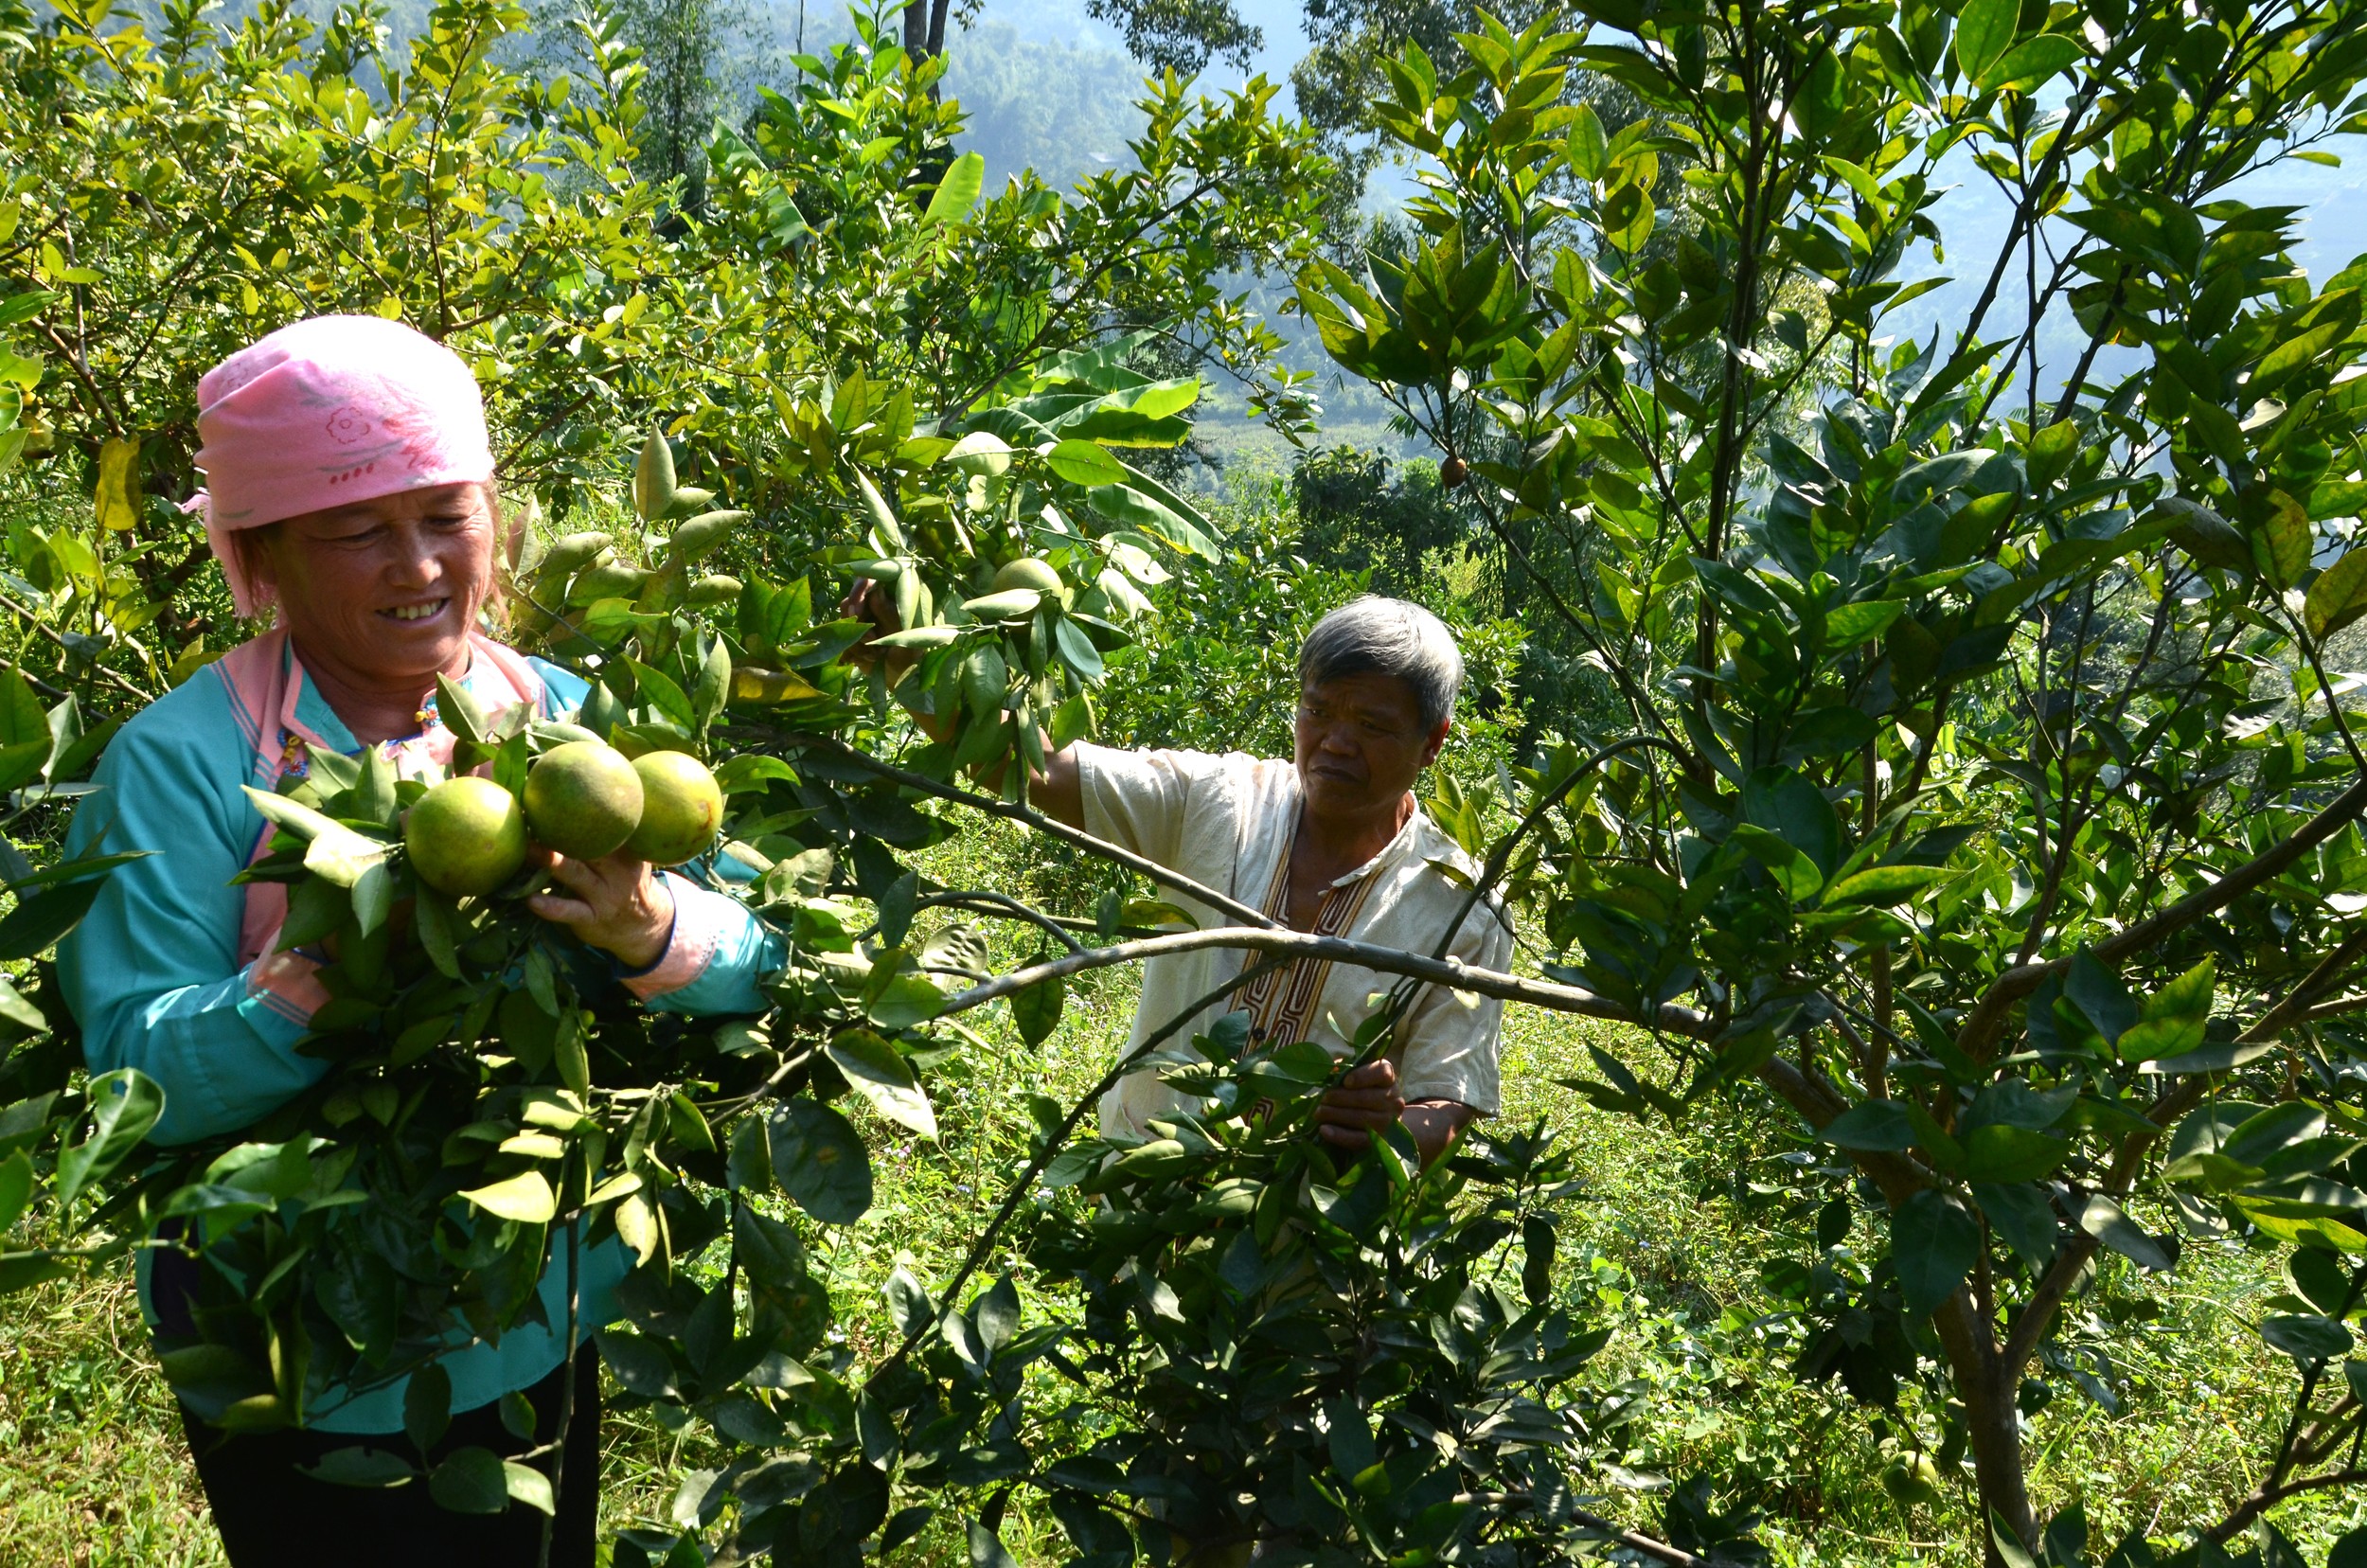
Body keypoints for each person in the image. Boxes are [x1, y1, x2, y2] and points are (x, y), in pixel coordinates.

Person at [57, 315, 783, 1566]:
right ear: (264, 553)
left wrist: (659, 930)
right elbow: (130, 1076)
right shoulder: (184, 766)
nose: (420, 564)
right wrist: (312, 982)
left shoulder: (561, 722)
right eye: (357, 529)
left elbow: (762, 962)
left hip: (525, 1312)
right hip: (284, 1335)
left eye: (449, 514)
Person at [852, 588, 1509, 1164]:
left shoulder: (1461, 908)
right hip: (1135, 1199)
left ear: (1433, 741)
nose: (1336, 741)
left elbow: (1445, 1104)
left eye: (1371, 724)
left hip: (1304, 1259)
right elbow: (1034, 769)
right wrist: (906, 657)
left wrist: (1386, 1128)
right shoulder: (1217, 800)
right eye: (1319, 712)